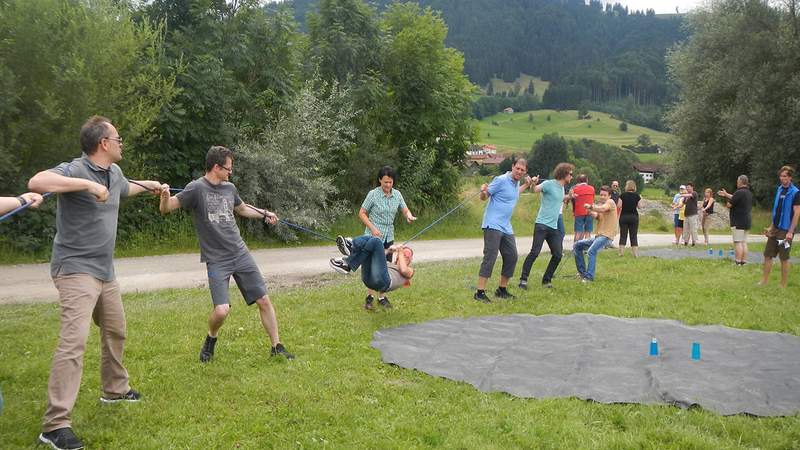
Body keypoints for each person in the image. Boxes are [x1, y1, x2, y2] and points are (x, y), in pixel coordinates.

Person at [28, 116, 163, 450]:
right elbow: (37, 181)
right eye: (118, 139)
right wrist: (87, 186)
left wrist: (153, 186)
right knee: (73, 343)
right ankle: (55, 424)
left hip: (105, 271)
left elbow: (126, 187)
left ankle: (115, 390)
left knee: (115, 330)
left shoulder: (113, 173)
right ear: (104, 143)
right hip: (75, 269)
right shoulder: (75, 169)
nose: (121, 143)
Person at [159, 146, 294, 363]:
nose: (230, 172)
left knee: (264, 300)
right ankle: (211, 338)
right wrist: (165, 196)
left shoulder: (229, 188)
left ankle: (277, 346)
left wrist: (265, 213)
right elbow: (167, 208)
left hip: (240, 252)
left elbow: (242, 209)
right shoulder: (195, 188)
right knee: (221, 311)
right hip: (217, 259)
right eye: (228, 169)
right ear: (216, 167)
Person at [473, 158, 533, 302]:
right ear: (512, 167)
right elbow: (485, 196)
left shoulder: (516, 182)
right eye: (517, 168)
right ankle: (479, 293)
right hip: (492, 224)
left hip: (506, 226)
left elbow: (514, 194)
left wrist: (526, 184)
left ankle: (501, 289)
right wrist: (482, 191)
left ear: (525, 172)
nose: (519, 171)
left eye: (522, 170)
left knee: (512, 256)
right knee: (490, 257)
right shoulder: (500, 180)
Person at [358, 166, 416, 309]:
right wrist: (373, 228)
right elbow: (362, 213)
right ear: (380, 181)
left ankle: (382, 297)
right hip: (373, 237)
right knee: (371, 267)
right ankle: (369, 297)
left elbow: (404, 208)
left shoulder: (397, 195)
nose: (388, 185)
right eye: (385, 182)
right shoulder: (373, 194)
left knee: (384, 268)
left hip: (388, 236)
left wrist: (408, 216)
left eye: (390, 182)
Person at [518, 162, 574, 289]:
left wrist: (569, 196)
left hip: (553, 227)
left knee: (558, 255)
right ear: (564, 174)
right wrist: (533, 183)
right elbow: (535, 190)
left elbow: (558, 198)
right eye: (570, 174)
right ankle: (523, 280)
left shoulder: (561, 188)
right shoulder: (549, 184)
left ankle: (546, 280)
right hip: (542, 224)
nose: (572, 177)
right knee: (535, 252)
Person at [329, 236, 414, 295]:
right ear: (397, 257)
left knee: (377, 241)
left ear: (410, 260)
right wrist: (388, 251)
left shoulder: (410, 271)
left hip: (384, 282)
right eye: (405, 253)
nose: (406, 255)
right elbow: (376, 256)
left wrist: (400, 250)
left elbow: (403, 269)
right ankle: (351, 247)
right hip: (368, 279)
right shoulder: (390, 264)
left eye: (408, 255)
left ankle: (351, 256)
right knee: (371, 240)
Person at [759, 166, 800, 288]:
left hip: (785, 230)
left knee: (784, 257)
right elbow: (776, 211)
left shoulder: (795, 192)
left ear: (790, 177)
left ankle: (783, 284)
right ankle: (764, 281)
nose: (782, 179)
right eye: (781, 176)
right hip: (775, 228)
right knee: (767, 255)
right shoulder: (779, 189)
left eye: (785, 176)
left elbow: (797, 213)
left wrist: (790, 232)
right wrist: (771, 227)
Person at [574, 185, 618, 282]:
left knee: (591, 251)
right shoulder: (601, 205)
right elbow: (597, 215)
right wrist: (590, 212)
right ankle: (582, 273)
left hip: (606, 236)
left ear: (609, 196)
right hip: (599, 236)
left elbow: (602, 208)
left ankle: (589, 277)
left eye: (604, 195)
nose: (602, 197)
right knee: (577, 245)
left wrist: (591, 206)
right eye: (601, 195)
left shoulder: (610, 202)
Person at [718, 175, 753, 266]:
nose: (736, 183)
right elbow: (735, 198)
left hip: (738, 221)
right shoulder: (748, 192)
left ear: (741, 181)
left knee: (737, 242)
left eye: (737, 181)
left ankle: (737, 262)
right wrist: (726, 194)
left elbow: (729, 204)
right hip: (747, 220)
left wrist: (726, 199)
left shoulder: (739, 192)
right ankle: (744, 262)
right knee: (744, 242)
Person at [618, 180, 642, 257]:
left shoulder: (622, 195)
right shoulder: (637, 196)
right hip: (634, 217)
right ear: (634, 187)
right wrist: (641, 199)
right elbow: (640, 207)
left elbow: (619, 206)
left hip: (624, 216)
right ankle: (635, 254)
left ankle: (621, 253)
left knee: (623, 235)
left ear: (626, 186)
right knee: (633, 235)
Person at [570, 174, 594, 242]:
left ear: (578, 181)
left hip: (579, 212)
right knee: (588, 232)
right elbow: (592, 200)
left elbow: (573, 201)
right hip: (589, 212)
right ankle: (587, 249)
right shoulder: (592, 188)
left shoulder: (575, 189)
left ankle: (575, 248)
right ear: (587, 180)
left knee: (578, 232)